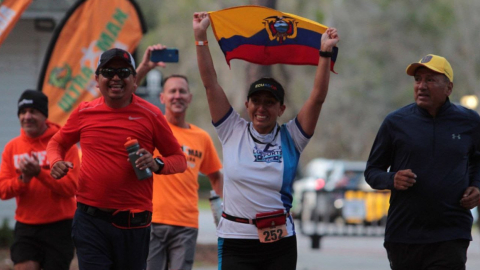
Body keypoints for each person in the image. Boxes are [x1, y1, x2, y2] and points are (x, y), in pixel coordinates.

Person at [193, 12, 339, 270]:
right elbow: (210, 84)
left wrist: (325, 54)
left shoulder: (292, 137)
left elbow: (316, 98)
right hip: (235, 240)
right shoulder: (231, 130)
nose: (262, 108)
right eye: (256, 102)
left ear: (281, 108)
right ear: (247, 104)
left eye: (269, 103)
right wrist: (200, 37)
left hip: (278, 243)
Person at [46, 48, 187, 270]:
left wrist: (156, 163)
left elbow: (179, 159)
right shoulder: (84, 112)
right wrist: (55, 162)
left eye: (123, 72)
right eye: (108, 72)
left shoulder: (150, 114)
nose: (115, 77)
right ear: (97, 79)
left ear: (134, 80)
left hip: (133, 225)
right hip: (90, 220)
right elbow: (57, 143)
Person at [365, 54, 480, 269]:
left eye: (430, 79)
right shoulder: (395, 122)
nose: (421, 86)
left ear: (449, 87)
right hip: (405, 234)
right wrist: (392, 179)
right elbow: (372, 172)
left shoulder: (470, 122)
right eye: (418, 79)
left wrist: (477, 186)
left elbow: (477, 162)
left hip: (451, 233)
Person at [136, 47, 224, 269]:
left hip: (186, 225)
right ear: (162, 97)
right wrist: (145, 68)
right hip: (151, 221)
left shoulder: (201, 137)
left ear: (190, 98)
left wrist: (227, 212)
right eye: (172, 91)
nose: (177, 96)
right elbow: (123, 97)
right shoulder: (150, 128)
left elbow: (215, 176)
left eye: (182, 91)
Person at [0, 90, 79, 270]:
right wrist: (23, 179)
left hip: (60, 226)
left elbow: (71, 188)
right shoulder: (12, 147)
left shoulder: (64, 143)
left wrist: (39, 173)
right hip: (26, 226)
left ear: (44, 115)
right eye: (23, 112)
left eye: (33, 111)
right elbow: (3, 190)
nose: (27, 117)